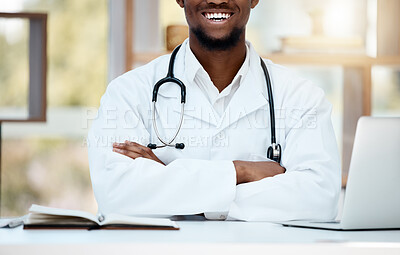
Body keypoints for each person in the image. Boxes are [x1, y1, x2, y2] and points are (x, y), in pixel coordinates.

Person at [88, 0, 341, 221]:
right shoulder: (129, 92)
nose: (218, 0)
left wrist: (171, 187)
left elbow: (319, 198)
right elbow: (118, 195)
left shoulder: (301, 97)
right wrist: (240, 171)